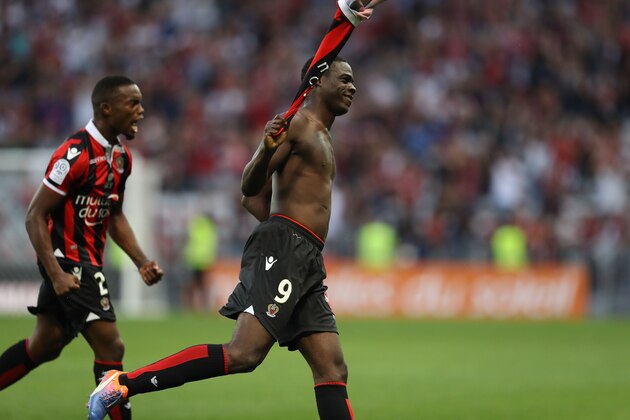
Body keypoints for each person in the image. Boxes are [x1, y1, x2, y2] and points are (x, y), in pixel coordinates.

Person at [87, 56, 361, 420]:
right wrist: (265, 150)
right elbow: (248, 185)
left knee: (332, 369)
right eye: (343, 79)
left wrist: (293, 229)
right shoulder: (297, 123)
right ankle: (122, 385)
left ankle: (122, 384)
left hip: (305, 254)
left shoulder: (323, 134)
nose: (352, 87)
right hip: (286, 249)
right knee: (244, 354)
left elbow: (253, 202)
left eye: (353, 80)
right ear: (318, 81)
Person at [0, 75, 164, 420]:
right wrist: (56, 273)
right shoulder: (73, 154)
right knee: (111, 345)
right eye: (132, 103)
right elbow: (34, 216)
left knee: (45, 344)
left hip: (87, 260)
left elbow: (114, 215)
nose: (141, 111)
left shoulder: (121, 158)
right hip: (68, 261)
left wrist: (141, 260)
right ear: (107, 108)